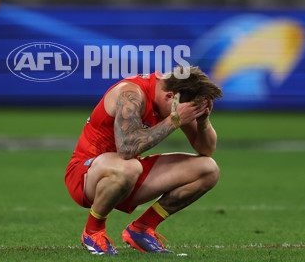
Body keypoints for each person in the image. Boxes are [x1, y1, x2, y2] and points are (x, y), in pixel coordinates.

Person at [65, 66, 223, 254]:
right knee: (130, 167)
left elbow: (206, 149)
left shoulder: (176, 97)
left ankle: (141, 230)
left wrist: (203, 121)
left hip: (128, 173)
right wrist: (175, 120)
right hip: (86, 174)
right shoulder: (131, 93)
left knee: (208, 169)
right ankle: (93, 231)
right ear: (170, 96)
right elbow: (126, 149)